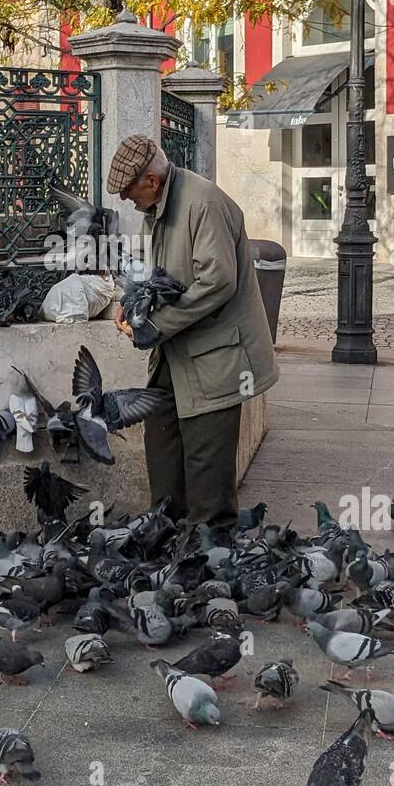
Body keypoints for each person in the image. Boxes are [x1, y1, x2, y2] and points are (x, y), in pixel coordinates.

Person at [107, 134, 278, 530]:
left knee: (207, 471)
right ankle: (167, 540)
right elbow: (167, 277)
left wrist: (155, 325)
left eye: (129, 192)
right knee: (162, 444)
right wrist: (135, 303)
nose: (125, 201)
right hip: (176, 354)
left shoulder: (203, 203)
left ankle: (209, 563)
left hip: (216, 358)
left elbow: (217, 282)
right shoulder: (164, 206)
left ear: (151, 181)